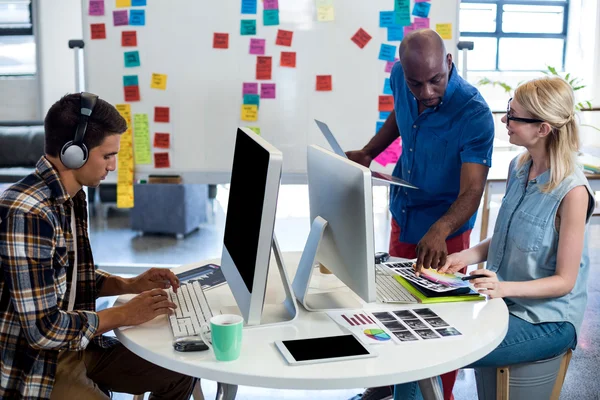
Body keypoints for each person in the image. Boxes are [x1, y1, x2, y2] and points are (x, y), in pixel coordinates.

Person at [394, 76, 595, 399]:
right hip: (503, 304)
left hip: (547, 320)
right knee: (413, 343)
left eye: (514, 115)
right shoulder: (519, 166)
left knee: (426, 356)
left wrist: (502, 288)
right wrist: (463, 257)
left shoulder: (572, 193)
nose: (505, 120)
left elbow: (565, 282)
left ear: (543, 129)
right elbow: (505, 237)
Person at [0, 93, 197, 399]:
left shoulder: (72, 195)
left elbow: (67, 279)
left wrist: (129, 284)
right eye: (107, 156)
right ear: (73, 153)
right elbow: (43, 330)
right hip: (38, 365)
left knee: (181, 371)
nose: (114, 166)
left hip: (78, 346)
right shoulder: (28, 213)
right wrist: (124, 315)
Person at [347, 29, 494, 400]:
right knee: (395, 305)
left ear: (449, 63)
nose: (426, 92)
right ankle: (390, 384)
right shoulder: (401, 77)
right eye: (416, 83)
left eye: (435, 81)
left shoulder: (474, 113)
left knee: (440, 324)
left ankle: (436, 395)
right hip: (405, 210)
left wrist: (441, 228)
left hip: (447, 230)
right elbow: (401, 113)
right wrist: (369, 151)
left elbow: (472, 191)